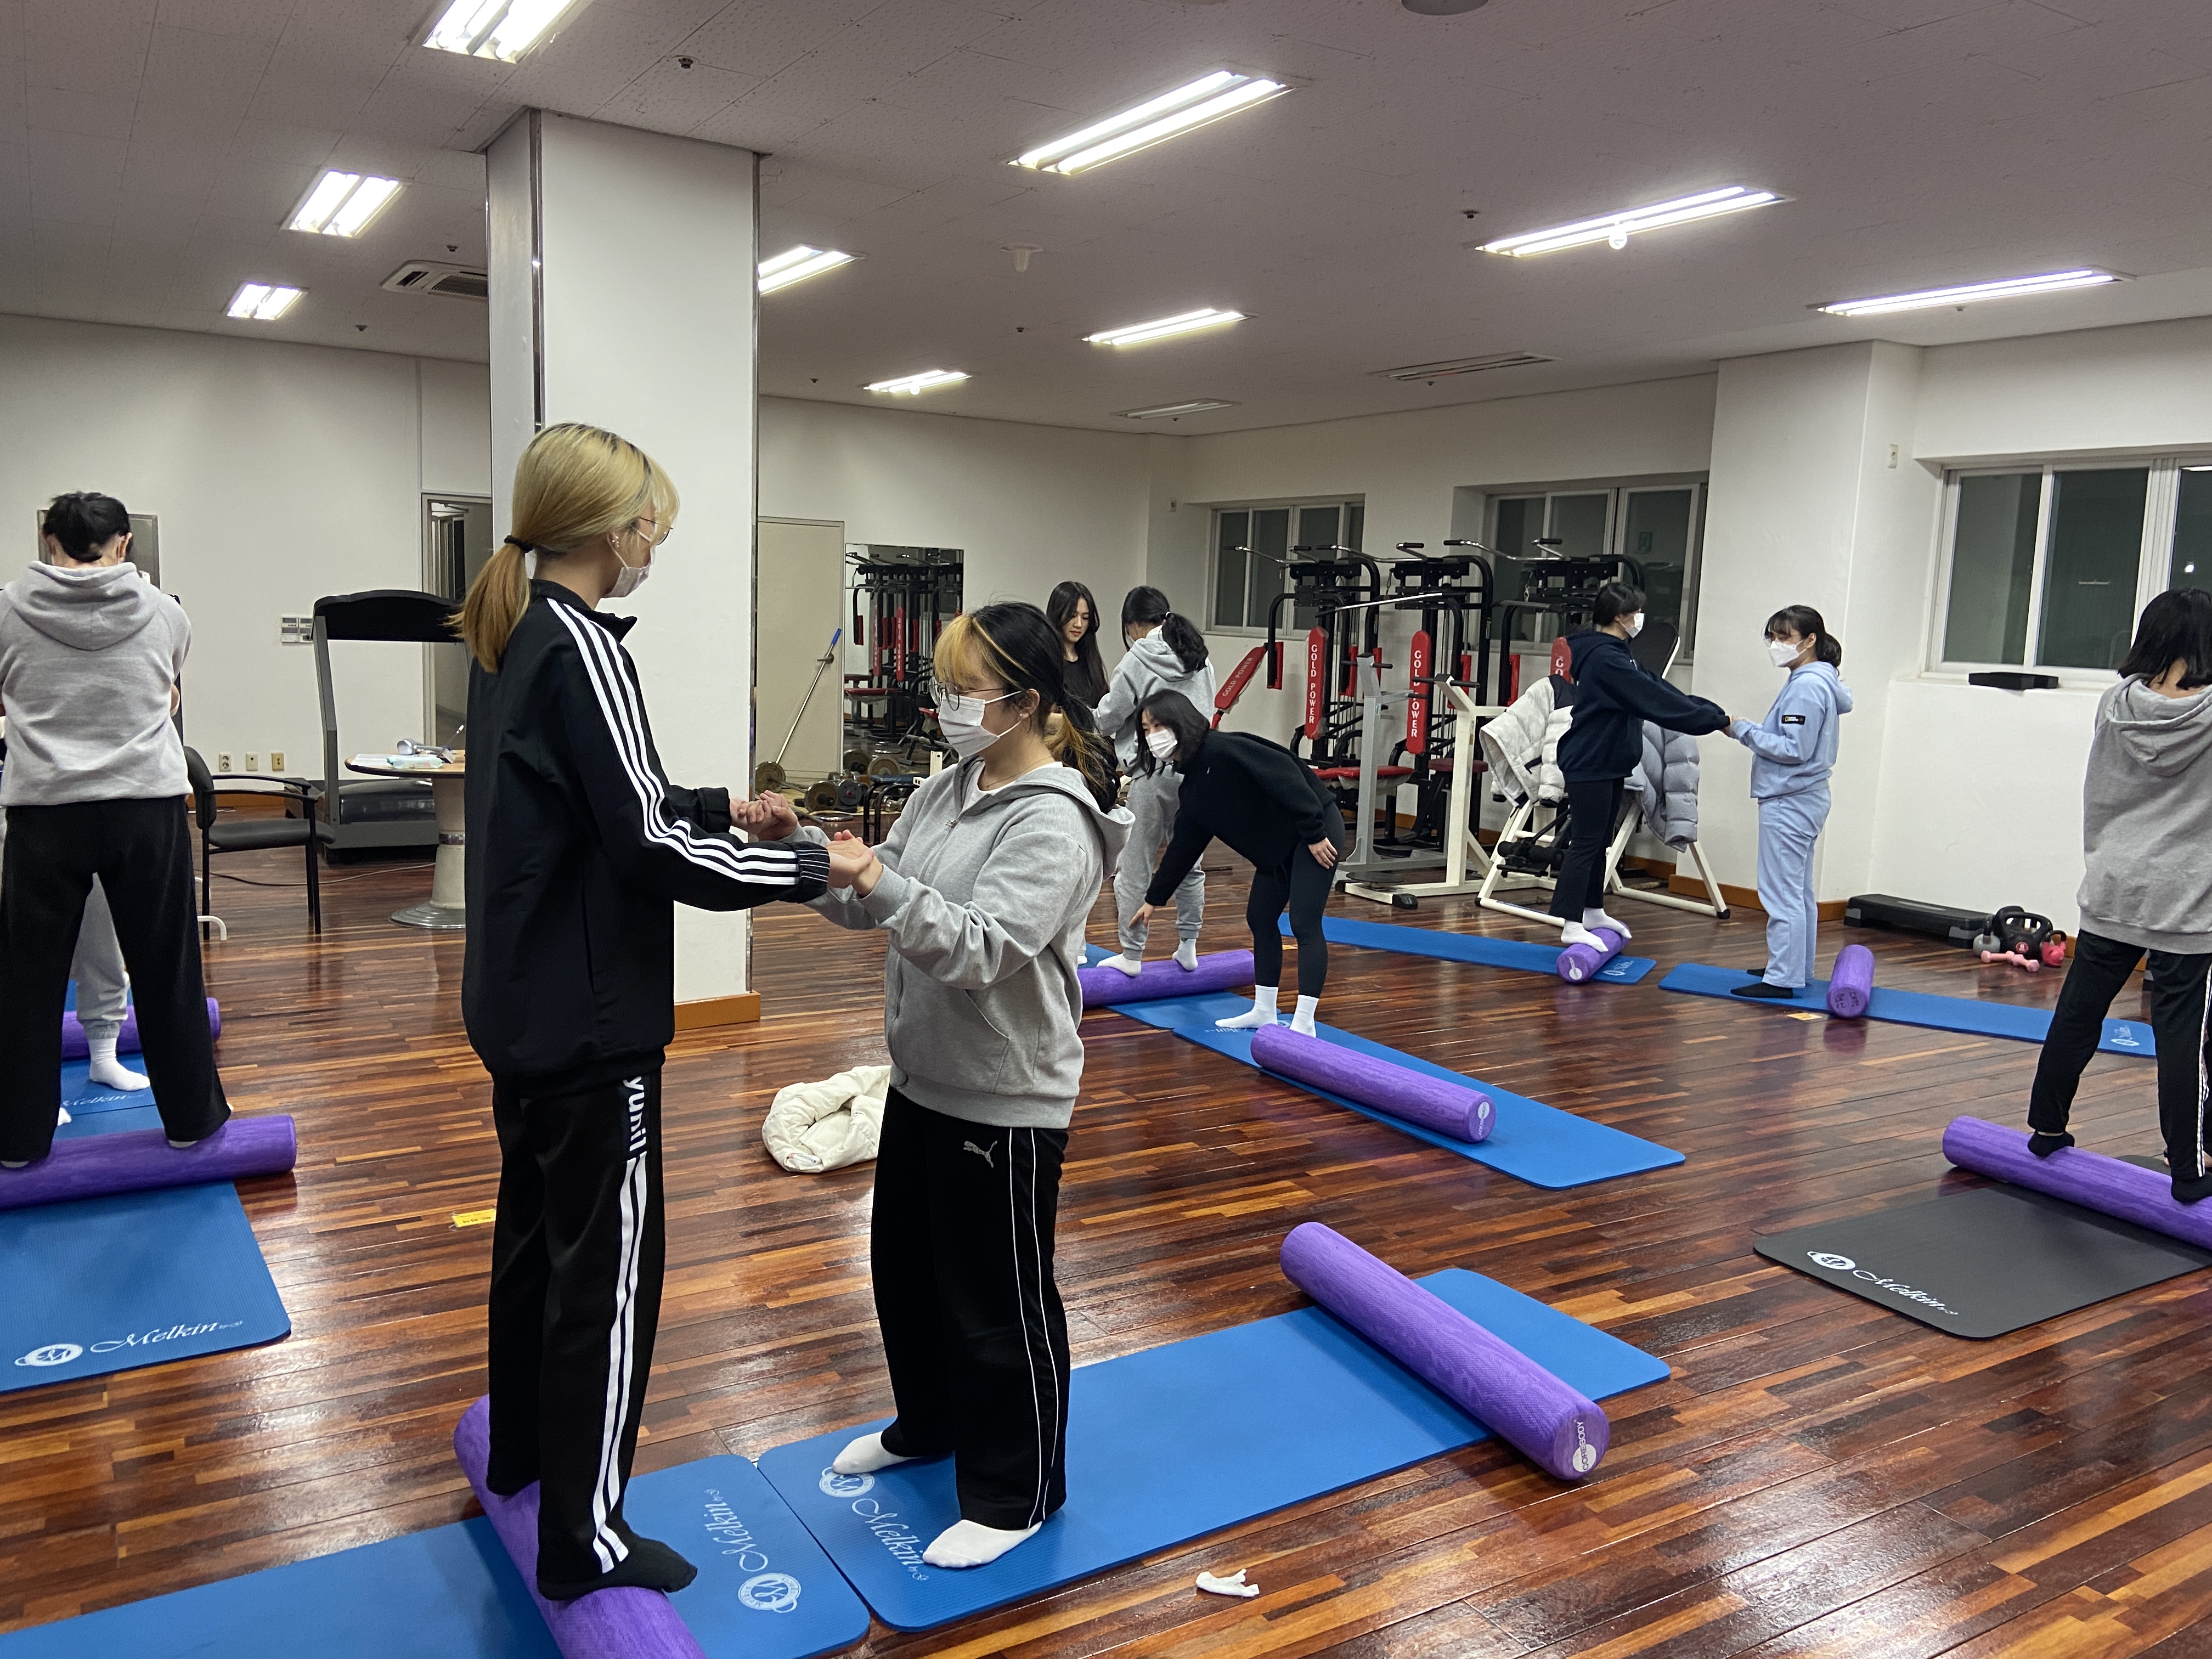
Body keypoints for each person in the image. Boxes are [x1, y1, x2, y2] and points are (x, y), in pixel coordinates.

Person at [456, 422, 855, 1602]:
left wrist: (725, 805)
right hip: (591, 1029)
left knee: (534, 1242)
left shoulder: (518, 634)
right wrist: (808, 868)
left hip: (524, 1011)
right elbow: (644, 847)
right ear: (606, 529)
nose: (653, 545)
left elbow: (603, 803)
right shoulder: (583, 645)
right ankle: (586, 1537)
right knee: (609, 1275)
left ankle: (526, 1455)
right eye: (649, 527)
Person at [743, 602, 1125, 1572]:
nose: (947, 705)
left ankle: (1017, 1493)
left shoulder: (1054, 820)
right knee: (908, 1279)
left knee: (997, 1303)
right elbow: (872, 904)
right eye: (946, 686)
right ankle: (930, 1425)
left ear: (1024, 703)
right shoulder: (949, 786)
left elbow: (981, 949)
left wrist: (877, 880)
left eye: (966, 689)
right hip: (921, 1078)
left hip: (1005, 1098)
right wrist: (804, 850)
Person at [0, 492, 227, 1169]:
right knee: (167, 967)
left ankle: (17, 1139)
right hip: (144, 809)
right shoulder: (166, 613)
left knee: (28, 979)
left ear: (49, 541)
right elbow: (164, 692)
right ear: (123, 544)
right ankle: (190, 1121)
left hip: (46, 811)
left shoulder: (7, 610)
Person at [2024, 587, 2212, 1203]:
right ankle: (2189, 1170)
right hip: (2188, 902)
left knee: (2079, 1014)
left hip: (2114, 886)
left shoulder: (2115, 703)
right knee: (2183, 1037)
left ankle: (2046, 1128)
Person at [1131, 690, 1346, 1036]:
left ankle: (1305, 1021)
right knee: (1260, 918)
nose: (1153, 735)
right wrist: (1154, 899)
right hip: (1279, 846)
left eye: (1158, 725)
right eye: (1146, 729)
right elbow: (1183, 847)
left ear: (1180, 722)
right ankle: (1264, 1011)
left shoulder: (1223, 749)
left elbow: (1287, 774)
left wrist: (1314, 832)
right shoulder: (1193, 790)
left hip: (1315, 830)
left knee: (1304, 922)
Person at [1551, 581, 1729, 949]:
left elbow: (1658, 687)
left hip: (1609, 761)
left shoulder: (1619, 653)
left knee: (1599, 842)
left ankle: (1592, 910)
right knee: (1585, 843)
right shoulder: (1606, 659)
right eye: (1636, 612)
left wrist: (1713, 713)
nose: (1640, 618)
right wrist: (1713, 721)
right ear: (1620, 617)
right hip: (1590, 762)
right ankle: (1570, 923)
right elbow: (1653, 699)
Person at [1729, 606, 1853, 999]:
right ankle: (1794, 968)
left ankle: (1782, 978)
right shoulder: (1816, 679)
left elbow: (1794, 749)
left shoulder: (1806, 686)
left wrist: (1742, 730)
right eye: (1774, 637)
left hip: (1790, 800)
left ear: (1811, 639)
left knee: (1781, 892)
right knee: (1797, 891)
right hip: (1805, 797)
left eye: (1785, 637)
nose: (1777, 645)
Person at [1091, 587, 1216, 977]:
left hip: (1152, 770)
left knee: (1135, 865)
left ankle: (1132, 955)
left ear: (1132, 625)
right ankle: (1188, 946)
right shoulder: (1198, 655)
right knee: (1189, 860)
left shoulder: (1137, 659)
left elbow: (1109, 718)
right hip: (1196, 770)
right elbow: (1208, 711)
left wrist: (1085, 719)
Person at [1046, 580, 1107, 708]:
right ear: (1058, 614)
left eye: (1085, 618)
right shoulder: (1047, 661)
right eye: (1072, 616)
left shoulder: (1091, 661)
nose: (1079, 624)